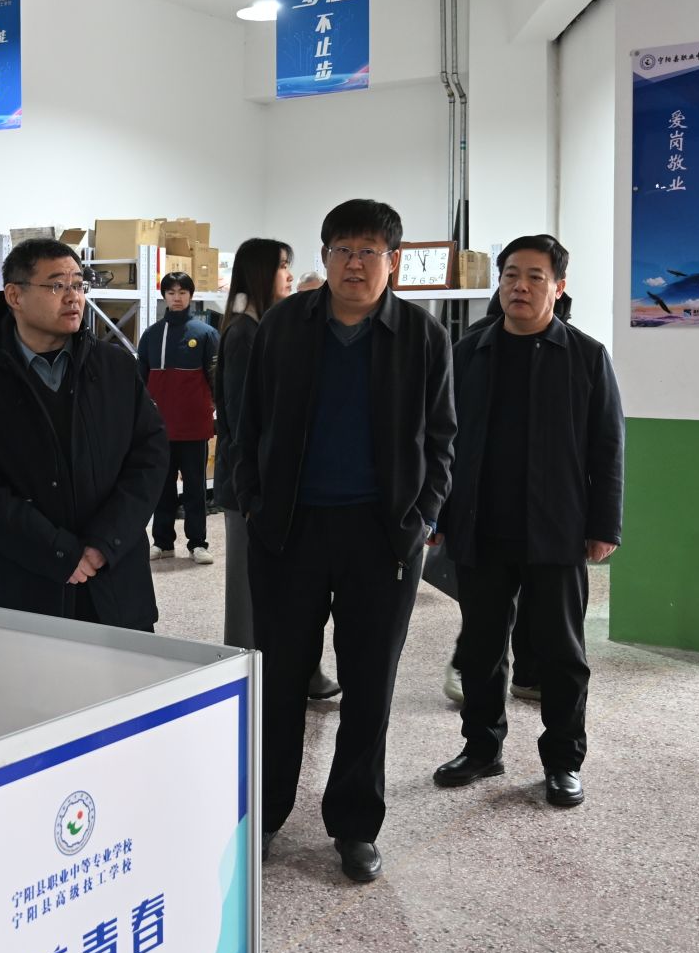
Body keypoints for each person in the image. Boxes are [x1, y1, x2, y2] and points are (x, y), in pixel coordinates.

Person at [232, 199, 454, 883]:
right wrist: (255, 503)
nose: (354, 264)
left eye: (369, 251)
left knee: (369, 683)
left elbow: (442, 439)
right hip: (289, 531)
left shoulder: (421, 335)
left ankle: (355, 824)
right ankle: (265, 812)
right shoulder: (283, 326)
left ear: (394, 260)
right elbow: (246, 421)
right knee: (280, 679)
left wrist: (421, 518)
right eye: (341, 250)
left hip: (381, 537)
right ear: (324, 256)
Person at [432, 235, 622, 810]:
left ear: (558, 288)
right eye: (511, 274)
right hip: (481, 524)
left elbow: (607, 447)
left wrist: (605, 525)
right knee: (481, 649)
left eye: (535, 276)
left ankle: (563, 761)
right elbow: (441, 441)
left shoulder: (585, 356)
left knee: (561, 653)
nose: (520, 286)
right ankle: (481, 748)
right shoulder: (468, 352)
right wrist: (437, 514)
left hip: (556, 527)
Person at [0, 238, 169, 631]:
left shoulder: (115, 368)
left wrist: (104, 543)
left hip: (113, 583)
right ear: (15, 295)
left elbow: (150, 456)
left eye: (78, 284)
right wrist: (58, 552)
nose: (73, 297)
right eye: (57, 285)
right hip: (20, 589)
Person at [213, 239, 339, 699]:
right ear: (260, 271)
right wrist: (254, 491)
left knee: (291, 589)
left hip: (280, 485)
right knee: (250, 593)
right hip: (253, 487)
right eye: (282, 266)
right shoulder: (244, 333)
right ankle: (247, 682)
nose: (288, 274)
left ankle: (296, 672)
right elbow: (244, 420)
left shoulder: (269, 326)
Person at [138, 271, 218, 564]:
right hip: (159, 427)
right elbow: (140, 380)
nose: (177, 297)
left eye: (182, 292)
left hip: (194, 425)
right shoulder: (151, 335)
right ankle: (162, 542)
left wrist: (218, 412)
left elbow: (216, 378)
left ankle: (198, 543)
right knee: (162, 487)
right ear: (164, 296)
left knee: (195, 487)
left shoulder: (205, 334)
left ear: (190, 296)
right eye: (171, 292)